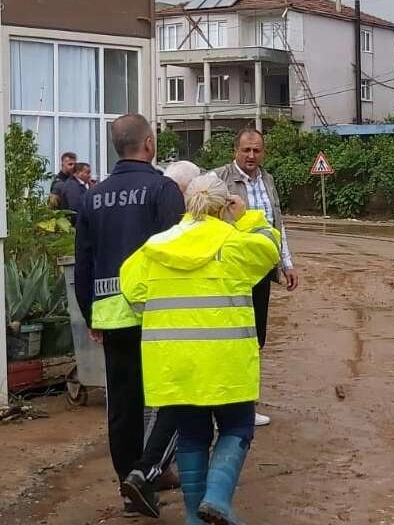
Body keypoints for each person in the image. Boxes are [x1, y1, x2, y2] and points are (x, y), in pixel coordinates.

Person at [120, 174, 281, 525]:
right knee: (237, 427)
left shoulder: (155, 246)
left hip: (175, 364)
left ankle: (195, 516)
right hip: (227, 363)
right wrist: (248, 217)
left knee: (192, 435)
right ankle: (218, 499)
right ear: (224, 206)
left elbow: (131, 290)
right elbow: (271, 249)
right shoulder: (233, 242)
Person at [74, 115, 185, 518]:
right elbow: (176, 255)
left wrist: (90, 314)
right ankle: (146, 473)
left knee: (123, 406)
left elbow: (83, 262)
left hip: (110, 317)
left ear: (116, 147)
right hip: (155, 315)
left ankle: (129, 486)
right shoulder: (163, 188)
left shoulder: (92, 196)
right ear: (150, 144)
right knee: (173, 398)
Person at [215, 128, 299, 427]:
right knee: (229, 340)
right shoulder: (219, 180)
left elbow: (277, 226)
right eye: (246, 150)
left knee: (255, 340)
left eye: (257, 151)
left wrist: (286, 263)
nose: (251, 156)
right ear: (235, 151)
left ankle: (245, 407)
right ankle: (220, 408)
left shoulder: (268, 180)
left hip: (261, 273)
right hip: (230, 274)